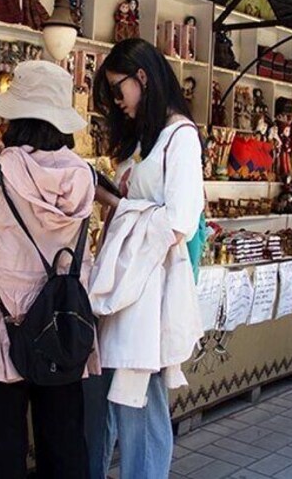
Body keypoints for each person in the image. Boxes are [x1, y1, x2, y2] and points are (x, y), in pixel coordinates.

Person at [0, 60, 97, 479]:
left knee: (3, 446)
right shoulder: (84, 178)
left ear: (15, 116)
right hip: (63, 325)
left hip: (1, 330)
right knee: (65, 443)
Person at [85, 38, 204, 478]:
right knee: (112, 400)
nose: (118, 102)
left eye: (120, 90)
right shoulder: (147, 139)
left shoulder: (181, 138)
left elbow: (180, 221)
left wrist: (118, 204)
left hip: (150, 292)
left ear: (143, 78)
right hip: (127, 284)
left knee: (140, 402)